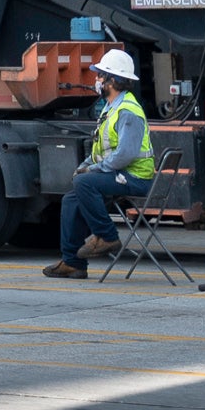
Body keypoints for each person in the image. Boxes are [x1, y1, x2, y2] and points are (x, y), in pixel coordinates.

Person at [43, 47, 156, 279]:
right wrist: (84, 166)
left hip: (135, 177)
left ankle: (106, 236)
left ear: (112, 81)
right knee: (70, 199)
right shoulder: (110, 107)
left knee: (85, 183)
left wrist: (91, 170)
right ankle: (73, 262)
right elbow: (100, 150)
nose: (97, 80)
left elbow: (125, 155)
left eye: (101, 76)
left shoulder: (128, 111)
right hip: (119, 174)